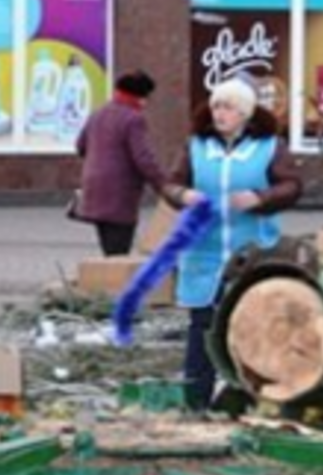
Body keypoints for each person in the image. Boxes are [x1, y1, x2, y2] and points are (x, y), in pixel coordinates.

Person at [160, 78, 302, 410]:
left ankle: (254, 402)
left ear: (245, 114)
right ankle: (195, 404)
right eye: (216, 106)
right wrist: (183, 195)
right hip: (203, 255)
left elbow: (292, 186)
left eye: (228, 107)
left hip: (251, 254)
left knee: (255, 330)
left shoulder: (269, 147)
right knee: (202, 333)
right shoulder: (195, 146)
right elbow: (171, 183)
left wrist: (259, 197)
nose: (219, 113)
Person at [73, 70, 167, 257]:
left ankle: (109, 279)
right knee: (118, 252)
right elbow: (143, 159)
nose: (147, 103)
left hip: (94, 190)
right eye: (146, 98)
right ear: (140, 97)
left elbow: (80, 146)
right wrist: (166, 186)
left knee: (109, 246)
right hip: (119, 194)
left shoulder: (98, 113)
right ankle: (114, 284)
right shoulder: (133, 119)